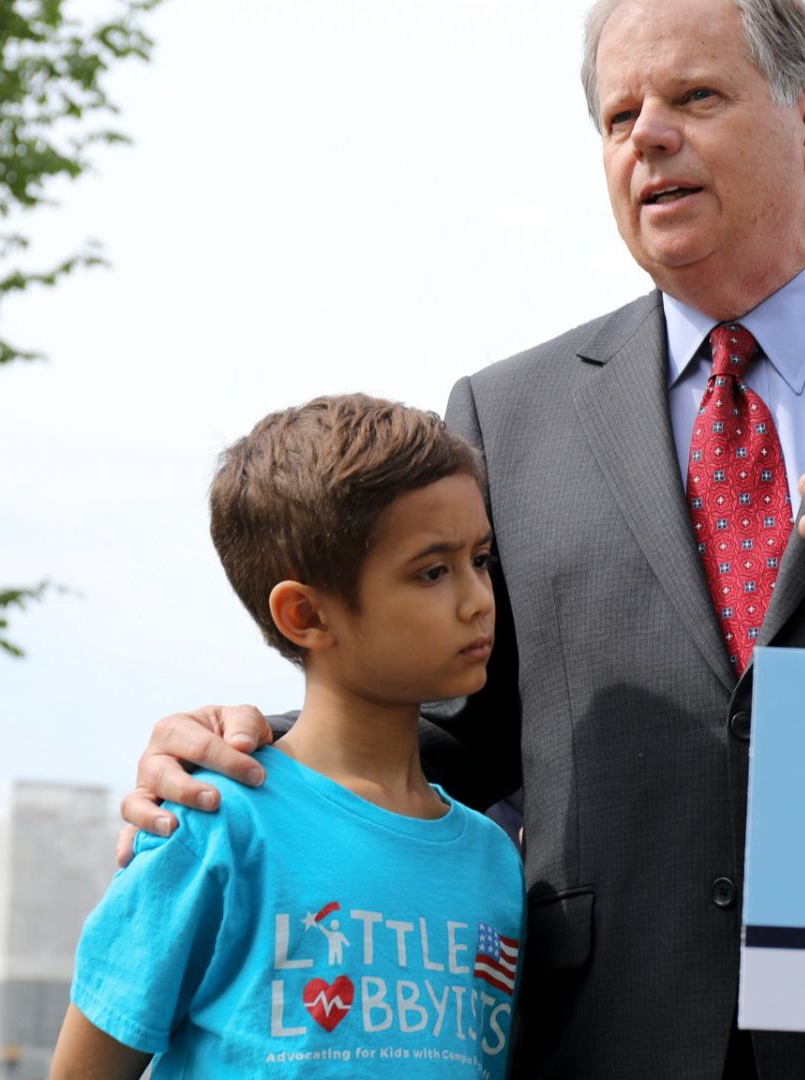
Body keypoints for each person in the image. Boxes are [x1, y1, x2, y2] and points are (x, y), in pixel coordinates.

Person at [116, 0, 805, 1076]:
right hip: (614, 1034)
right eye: (619, 117)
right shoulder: (507, 417)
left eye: (695, 97)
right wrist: (256, 759)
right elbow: (457, 733)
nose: (648, 136)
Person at [55, 396, 525, 1078]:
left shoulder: (493, 859)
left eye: (480, 559)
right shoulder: (214, 826)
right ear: (304, 614)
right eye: (432, 571)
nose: (479, 598)